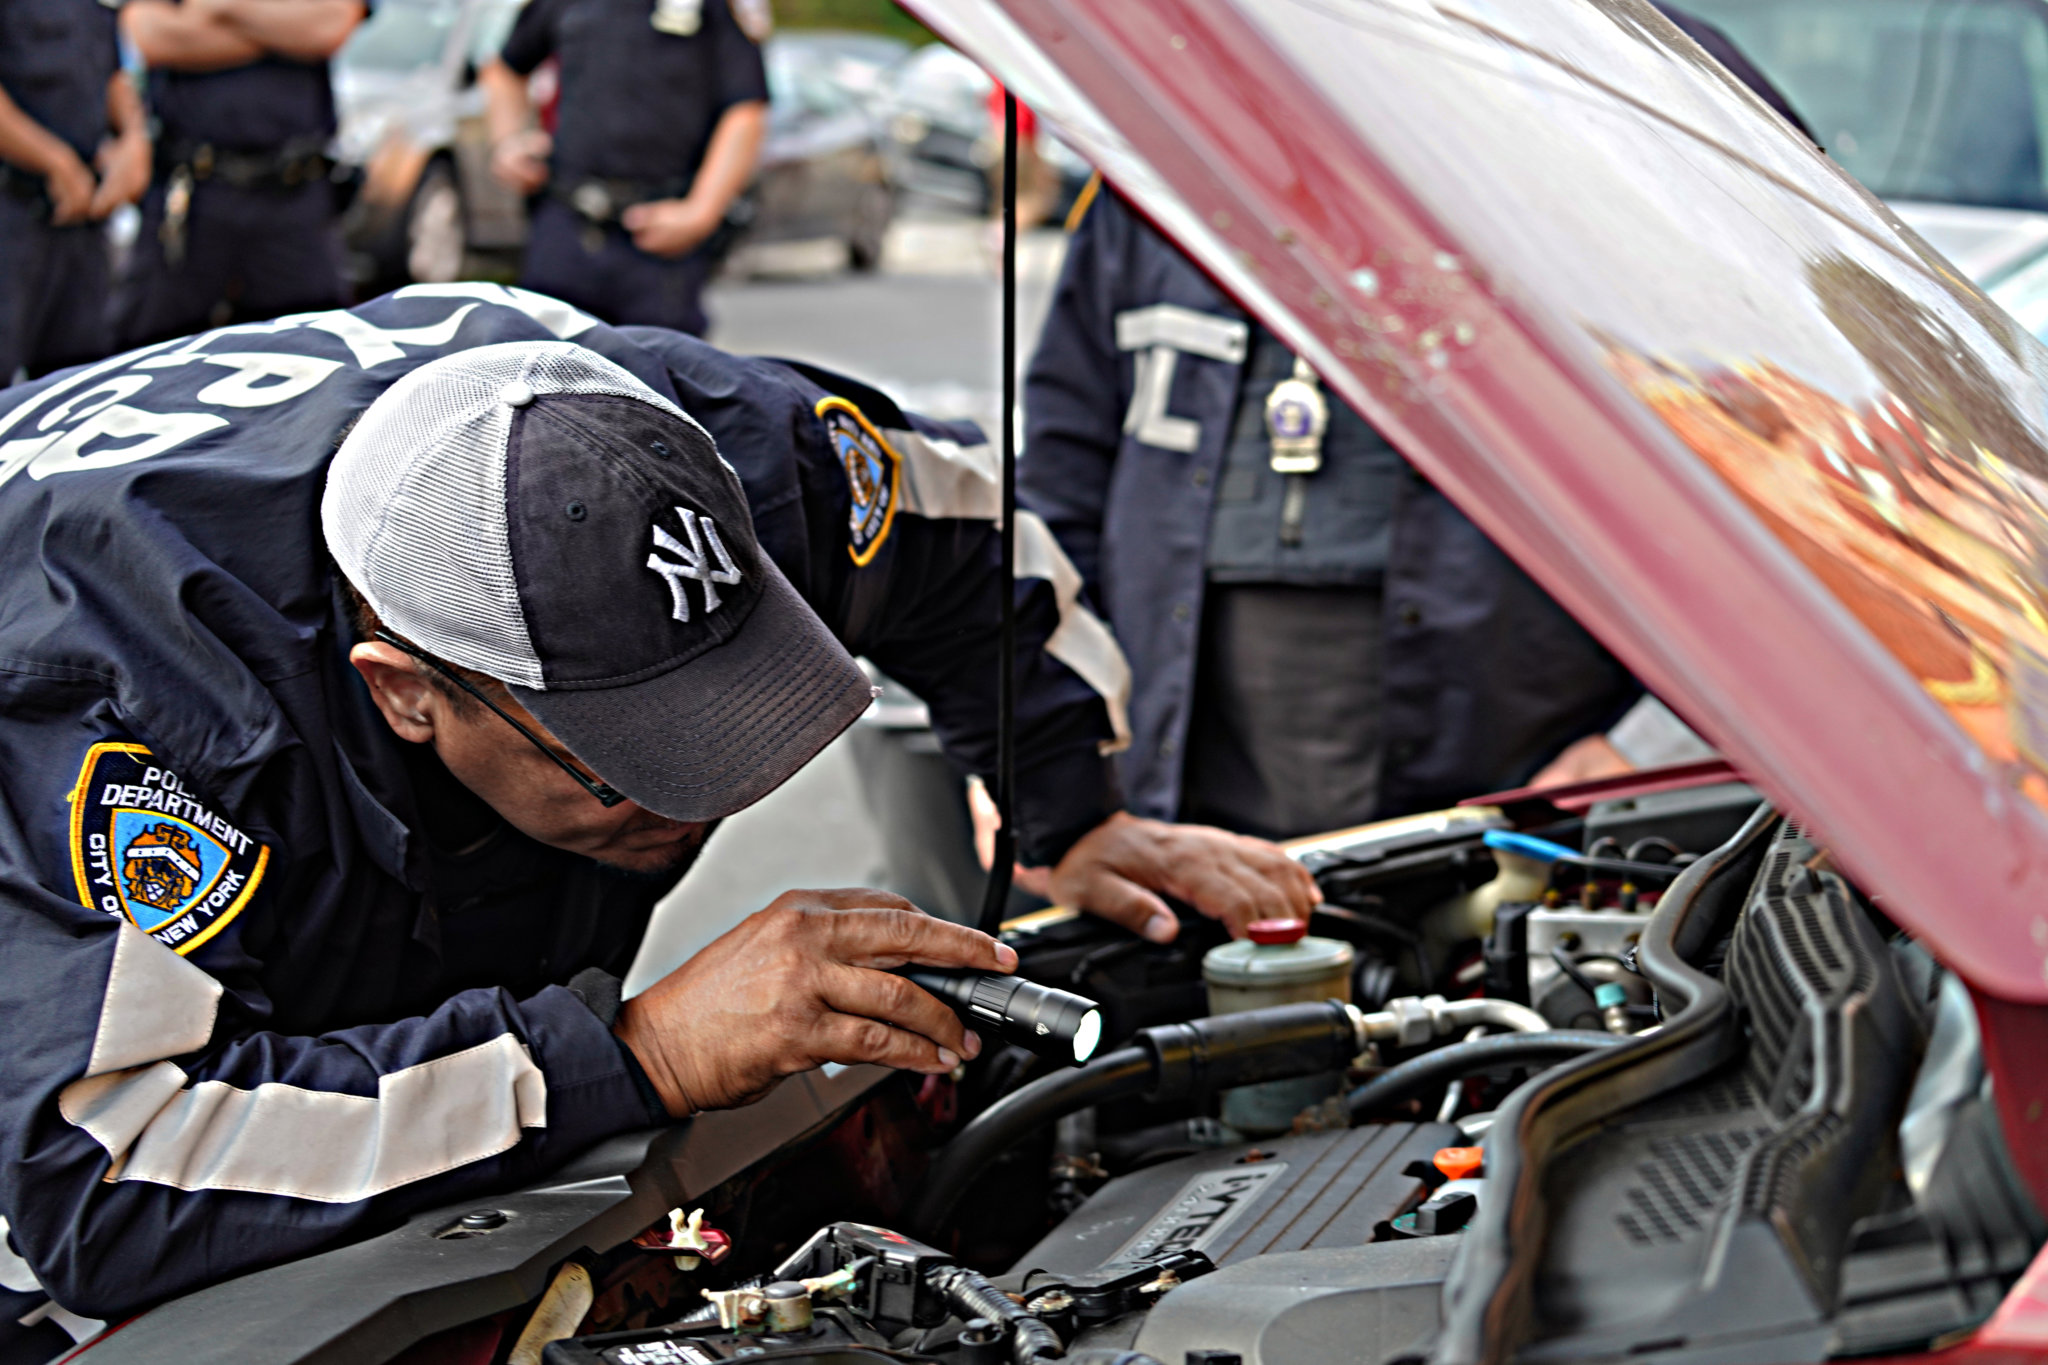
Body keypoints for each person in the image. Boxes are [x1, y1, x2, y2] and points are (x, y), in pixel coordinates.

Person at [0, 288, 1314, 1345]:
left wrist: (1070, 813)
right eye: (629, 765)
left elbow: (973, 532)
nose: (708, 804)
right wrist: (635, 1053)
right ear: (406, 692)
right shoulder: (134, 716)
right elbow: (111, 1169)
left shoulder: (743, 457)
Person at [1021, 186, 1678, 843]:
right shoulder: (1149, 180)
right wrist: (1034, 748)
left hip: (1523, 809)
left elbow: (1751, 482)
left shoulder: (1562, 172)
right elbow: (1058, 486)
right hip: (1173, 806)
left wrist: (1645, 749)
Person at [480, 0, 769, 336]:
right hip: (567, 224)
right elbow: (504, 70)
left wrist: (700, 212)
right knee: (543, 366)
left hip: (660, 234)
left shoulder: (714, 7)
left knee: (662, 371)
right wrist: (508, 142)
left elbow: (746, 108)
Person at [112, 0, 366, 347]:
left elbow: (328, 27)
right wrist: (280, 33)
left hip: (293, 194)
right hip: (192, 195)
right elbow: (150, 36)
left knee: (313, 350)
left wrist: (216, 7)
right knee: (153, 355)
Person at [0, 0, 150, 382]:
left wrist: (133, 140)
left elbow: (115, 75)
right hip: (13, 214)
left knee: (79, 384)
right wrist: (55, 161)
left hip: (83, 221)